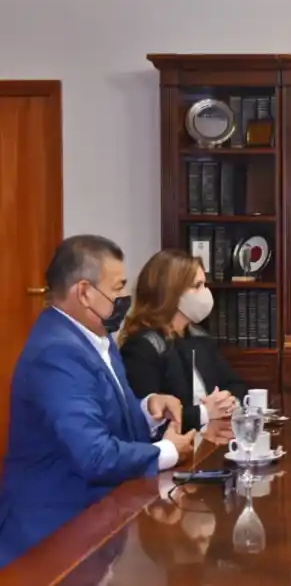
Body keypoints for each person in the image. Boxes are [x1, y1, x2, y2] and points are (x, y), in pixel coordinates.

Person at [0, 235, 196, 567]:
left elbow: (103, 413)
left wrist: (147, 408)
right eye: (118, 288)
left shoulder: (94, 337)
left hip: (98, 525)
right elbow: (95, 454)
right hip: (51, 539)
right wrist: (168, 451)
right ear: (84, 292)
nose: (124, 298)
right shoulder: (57, 353)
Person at [119, 249, 244, 433]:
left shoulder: (199, 337)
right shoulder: (142, 346)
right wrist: (204, 412)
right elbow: (147, 418)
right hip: (173, 453)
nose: (206, 293)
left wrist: (228, 400)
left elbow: (236, 384)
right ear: (171, 293)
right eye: (197, 285)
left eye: (205, 284)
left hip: (211, 440)